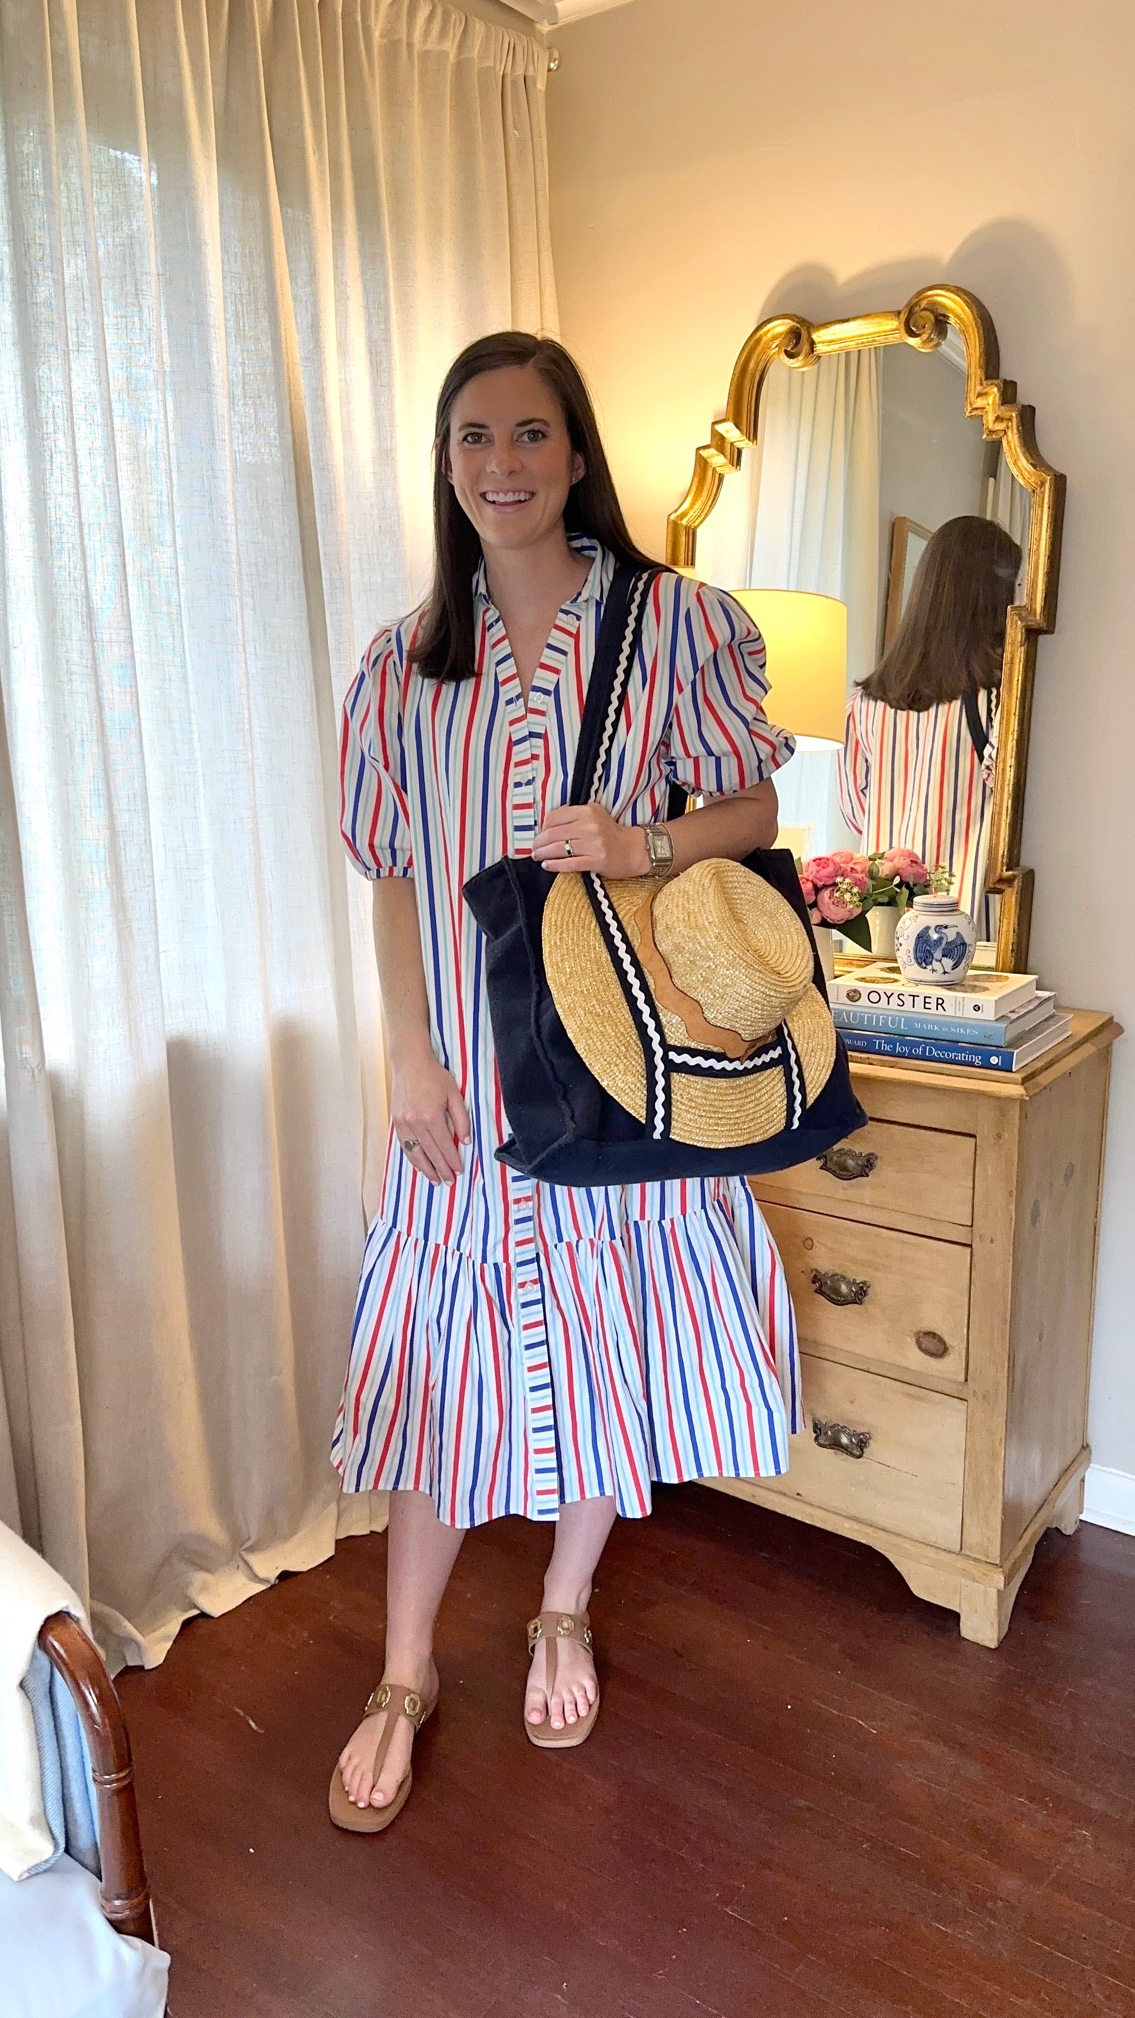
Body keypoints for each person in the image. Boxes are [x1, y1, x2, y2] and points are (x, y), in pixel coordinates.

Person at [329, 331, 800, 1832]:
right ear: (445, 464)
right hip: (464, 1086)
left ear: (578, 453)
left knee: (608, 1339)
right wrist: (405, 1050)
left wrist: (643, 840)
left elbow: (751, 807)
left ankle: (562, 1606)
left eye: (530, 433)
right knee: (438, 1372)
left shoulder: (673, 627)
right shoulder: (403, 665)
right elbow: (390, 872)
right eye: (473, 436)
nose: (502, 464)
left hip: (614, 1066)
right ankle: (402, 1670)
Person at [837, 514, 1022, 937]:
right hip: (965, 924)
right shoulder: (1000, 699)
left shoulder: (863, 705)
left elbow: (857, 813)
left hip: (884, 925)